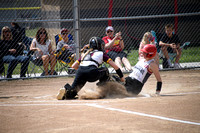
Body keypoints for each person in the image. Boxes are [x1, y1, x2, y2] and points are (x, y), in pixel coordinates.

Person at [56, 37, 125, 100]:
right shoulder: (101, 53)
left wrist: (83, 71)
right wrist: (122, 78)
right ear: (98, 46)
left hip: (80, 71)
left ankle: (65, 90)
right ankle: (103, 90)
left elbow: (74, 66)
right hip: (92, 73)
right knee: (105, 69)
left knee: (72, 93)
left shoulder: (86, 53)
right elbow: (116, 67)